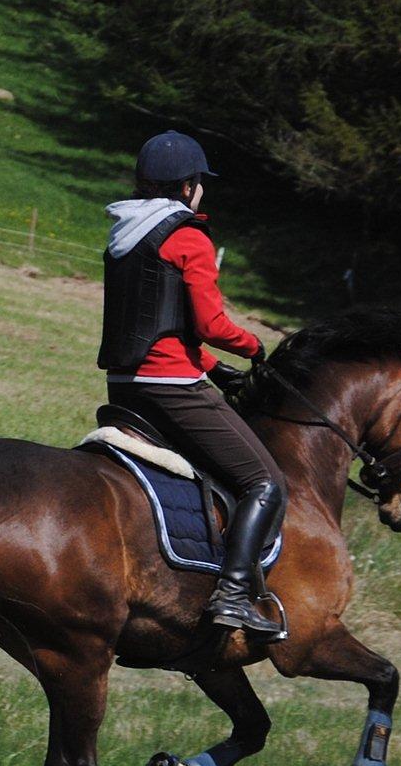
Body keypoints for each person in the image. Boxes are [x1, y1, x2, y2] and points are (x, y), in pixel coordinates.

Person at [98, 130, 287, 640]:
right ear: (188, 187)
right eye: (200, 183)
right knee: (265, 483)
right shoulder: (188, 237)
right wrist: (253, 347)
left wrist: (210, 365)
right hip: (172, 389)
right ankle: (232, 595)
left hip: (126, 388)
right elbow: (209, 324)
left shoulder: (125, 234)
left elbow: (160, 322)